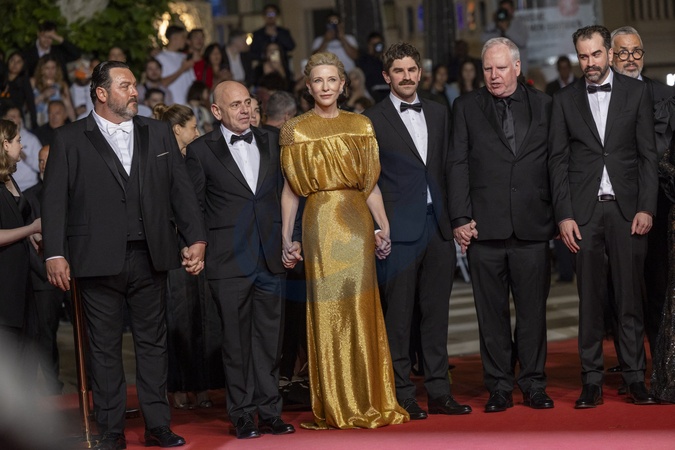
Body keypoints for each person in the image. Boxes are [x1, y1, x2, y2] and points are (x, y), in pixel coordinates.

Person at [41, 61, 207, 449]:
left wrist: (196, 237)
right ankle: (111, 430)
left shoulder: (158, 131)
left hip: (153, 254)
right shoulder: (69, 138)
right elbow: (55, 201)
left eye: (134, 85)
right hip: (95, 258)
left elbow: (180, 190)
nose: (135, 91)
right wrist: (54, 254)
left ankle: (158, 425)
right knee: (103, 349)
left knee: (153, 344)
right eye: (125, 85)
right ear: (101, 93)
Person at [279, 51, 409, 429]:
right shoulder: (295, 130)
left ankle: (369, 397)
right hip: (319, 223)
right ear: (308, 87)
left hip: (357, 225)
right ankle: (337, 402)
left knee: (362, 307)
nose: (325, 87)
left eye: (331, 80)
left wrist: (383, 227)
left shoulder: (361, 125)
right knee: (329, 310)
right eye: (318, 80)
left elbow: (370, 186)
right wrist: (287, 237)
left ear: (342, 85)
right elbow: (290, 191)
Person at [548, 25, 659, 408]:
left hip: (628, 212)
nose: (590, 63)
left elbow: (647, 156)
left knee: (630, 299)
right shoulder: (563, 100)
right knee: (590, 302)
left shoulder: (637, 92)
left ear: (609, 53)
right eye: (583, 56)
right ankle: (591, 380)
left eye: (596, 54)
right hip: (585, 214)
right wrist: (564, 215)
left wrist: (646, 206)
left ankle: (635, 377)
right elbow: (557, 162)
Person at [363, 42, 472, 419]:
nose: (406, 77)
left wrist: (458, 218)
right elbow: (367, 180)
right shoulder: (371, 119)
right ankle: (402, 393)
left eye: (412, 70)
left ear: (420, 72)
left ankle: (440, 391)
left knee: (436, 314)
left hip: (438, 227)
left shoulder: (440, 112)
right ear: (386, 76)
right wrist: (378, 229)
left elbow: (451, 168)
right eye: (399, 71)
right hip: (397, 231)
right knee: (398, 318)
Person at [184, 80, 295, 439]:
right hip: (227, 260)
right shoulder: (200, 151)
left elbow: (289, 193)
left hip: (271, 256)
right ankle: (243, 414)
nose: (245, 109)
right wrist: (196, 245)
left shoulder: (272, 140)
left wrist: (291, 238)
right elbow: (193, 207)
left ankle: (270, 411)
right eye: (235, 105)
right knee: (235, 342)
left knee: (269, 340)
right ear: (216, 111)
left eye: (247, 102)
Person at [449, 37, 555, 412]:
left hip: (533, 224)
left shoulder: (545, 105)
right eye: (488, 69)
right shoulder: (465, 107)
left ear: (517, 67)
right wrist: (460, 218)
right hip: (484, 228)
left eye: (501, 68)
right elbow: (457, 164)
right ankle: (498, 386)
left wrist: (561, 216)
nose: (494, 75)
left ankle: (534, 383)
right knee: (491, 315)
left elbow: (555, 163)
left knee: (532, 315)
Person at [610, 25, 675, 378]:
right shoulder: (598, 97)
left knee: (657, 286)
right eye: (623, 52)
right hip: (613, 207)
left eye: (636, 51)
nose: (630, 58)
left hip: (659, 205)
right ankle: (631, 367)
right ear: (611, 56)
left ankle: (661, 366)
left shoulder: (664, 95)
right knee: (621, 291)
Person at [153, 102, 223, 410]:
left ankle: (202, 384)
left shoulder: (196, 157)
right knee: (177, 318)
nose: (197, 132)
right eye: (193, 127)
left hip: (199, 245)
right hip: (173, 249)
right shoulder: (160, 161)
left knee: (203, 317)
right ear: (177, 129)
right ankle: (179, 386)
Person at [23, 143, 66, 395]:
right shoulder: (29, 197)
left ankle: (93, 386)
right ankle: (52, 388)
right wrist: (47, 272)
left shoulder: (72, 191)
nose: (43, 165)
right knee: (45, 335)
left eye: (48, 160)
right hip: (43, 279)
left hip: (75, 276)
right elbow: (28, 243)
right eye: (40, 161)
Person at [0, 119, 41, 353]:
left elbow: (16, 219)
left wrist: (32, 237)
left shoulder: (9, 177)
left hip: (20, 275)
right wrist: (31, 229)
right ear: (5, 144)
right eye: (18, 140)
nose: (22, 146)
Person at [22, 20, 81, 87]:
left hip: (62, 89)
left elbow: (76, 54)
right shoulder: (28, 53)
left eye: (50, 37)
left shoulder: (59, 51)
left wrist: (58, 38)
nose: (47, 40)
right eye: (44, 36)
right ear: (38, 34)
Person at [0, 103, 42, 192]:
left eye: (18, 116)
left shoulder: (31, 139)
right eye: (13, 117)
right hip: (8, 189)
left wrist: (24, 156)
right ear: (4, 119)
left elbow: (42, 166)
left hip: (31, 188)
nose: (17, 119)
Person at [482, 1, 529, 76]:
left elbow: (522, 41)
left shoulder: (519, 24)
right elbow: (484, 40)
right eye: (503, 9)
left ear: (512, 10)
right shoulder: (494, 25)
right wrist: (494, 23)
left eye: (507, 9)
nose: (505, 12)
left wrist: (507, 30)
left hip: (518, 69)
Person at [250, 4, 296, 80]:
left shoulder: (283, 32)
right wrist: (266, 56)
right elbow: (253, 52)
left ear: (277, 16)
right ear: (264, 16)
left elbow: (291, 46)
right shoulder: (257, 34)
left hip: (282, 66)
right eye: (268, 14)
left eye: (273, 14)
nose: (270, 16)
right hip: (263, 69)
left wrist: (277, 35)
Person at [30, 54, 75, 127]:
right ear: (41, 69)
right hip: (38, 123)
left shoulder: (62, 85)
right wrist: (43, 96)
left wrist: (74, 122)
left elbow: (69, 106)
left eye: (53, 68)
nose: (50, 71)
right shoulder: (33, 82)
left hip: (57, 123)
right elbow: (28, 107)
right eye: (47, 68)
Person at [156, 25, 196, 106]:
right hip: (172, 106)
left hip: (188, 106)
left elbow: (192, 82)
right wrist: (182, 69)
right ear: (174, 38)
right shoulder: (160, 58)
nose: (185, 41)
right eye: (183, 37)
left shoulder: (184, 57)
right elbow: (161, 83)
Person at [0, 52, 37, 130]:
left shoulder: (24, 81)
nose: (15, 64)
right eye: (12, 60)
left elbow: (30, 102)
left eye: (18, 62)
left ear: (23, 65)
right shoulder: (2, 78)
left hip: (16, 116)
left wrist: (34, 123)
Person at [356, 32, 389, 102]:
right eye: (373, 44)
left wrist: (383, 58)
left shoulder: (386, 60)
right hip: (372, 96)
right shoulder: (364, 60)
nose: (376, 47)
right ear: (368, 45)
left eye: (378, 44)